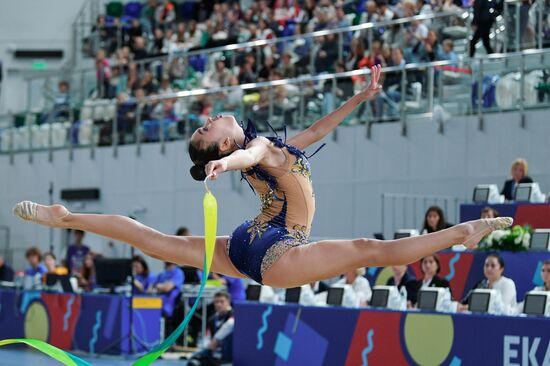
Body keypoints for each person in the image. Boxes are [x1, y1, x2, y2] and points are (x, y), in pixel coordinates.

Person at [13, 65, 512, 292]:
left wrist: (359, 100)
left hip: (246, 244)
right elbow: (248, 154)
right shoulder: (254, 152)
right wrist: (224, 164)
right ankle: (460, 234)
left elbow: (316, 129)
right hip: (278, 250)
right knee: (369, 248)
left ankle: (67, 217)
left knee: (156, 241)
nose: (212, 118)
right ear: (225, 144)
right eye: (209, 128)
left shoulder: (272, 149)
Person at [188, 291, 234, 366]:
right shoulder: (212, 319)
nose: (219, 304)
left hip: (229, 353)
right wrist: (207, 348)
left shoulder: (234, 314)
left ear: (228, 302)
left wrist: (216, 340)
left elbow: (230, 324)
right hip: (215, 353)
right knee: (194, 361)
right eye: (216, 302)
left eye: (222, 302)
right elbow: (207, 338)